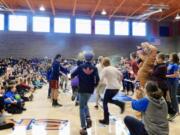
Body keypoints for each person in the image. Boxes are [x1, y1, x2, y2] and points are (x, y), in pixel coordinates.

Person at [71, 51, 99, 135]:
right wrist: (94, 86)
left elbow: (72, 74)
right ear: (92, 58)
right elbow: (97, 79)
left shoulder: (80, 67)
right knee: (85, 104)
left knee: (81, 108)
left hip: (82, 89)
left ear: (84, 58)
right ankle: (88, 117)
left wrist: (76, 79)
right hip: (90, 90)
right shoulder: (94, 68)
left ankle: (83, 128)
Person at [99, 57, 125, 125]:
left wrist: (97, 85)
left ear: (103, 63)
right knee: (108, 100)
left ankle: (106, 120)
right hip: (117, 88)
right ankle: (121, 104)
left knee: (104, 103)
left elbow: (101, 79)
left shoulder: (105, 69)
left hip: (110, 88)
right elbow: (121, 75)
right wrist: (119, 81)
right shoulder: (114, 68)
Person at [166, 53, 180, 120]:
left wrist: (166, 76)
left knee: (173, 97)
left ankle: (177, 111)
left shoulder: (175, 65)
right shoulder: (169, 64)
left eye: (171, 56)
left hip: (174, 82)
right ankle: (174, 111)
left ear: (173, 57)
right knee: (171, 97)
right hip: (169, 82)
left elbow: (176, 75)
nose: (169, 57)